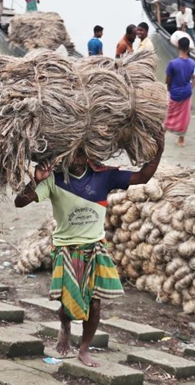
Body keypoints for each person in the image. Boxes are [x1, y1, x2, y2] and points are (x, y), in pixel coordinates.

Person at [14, 133, 164, 367]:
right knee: (68, 303)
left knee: (95, 303)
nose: (78, 157)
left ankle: (84, 349)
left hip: (95, 248)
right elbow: (20, 202)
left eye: (82, 152)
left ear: (91, 154)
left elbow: (143, 176)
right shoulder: (53, 179)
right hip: (66, 249)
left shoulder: (105, 176)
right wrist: (36, 180)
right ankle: (65, 325)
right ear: (63, 155)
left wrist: (159, 149)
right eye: (73, 152)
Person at [164, 37, 195, 147]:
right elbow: (194, 78)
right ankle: (181, 140)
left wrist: (168, 88)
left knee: (167, 114)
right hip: (186, 92)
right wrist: (190, 88)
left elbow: (168, 79)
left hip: (174, 92)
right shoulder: (192, 63)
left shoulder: (172, 63)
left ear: (178, 46)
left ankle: (162, 133)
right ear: (188, 48)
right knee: (184, 117)